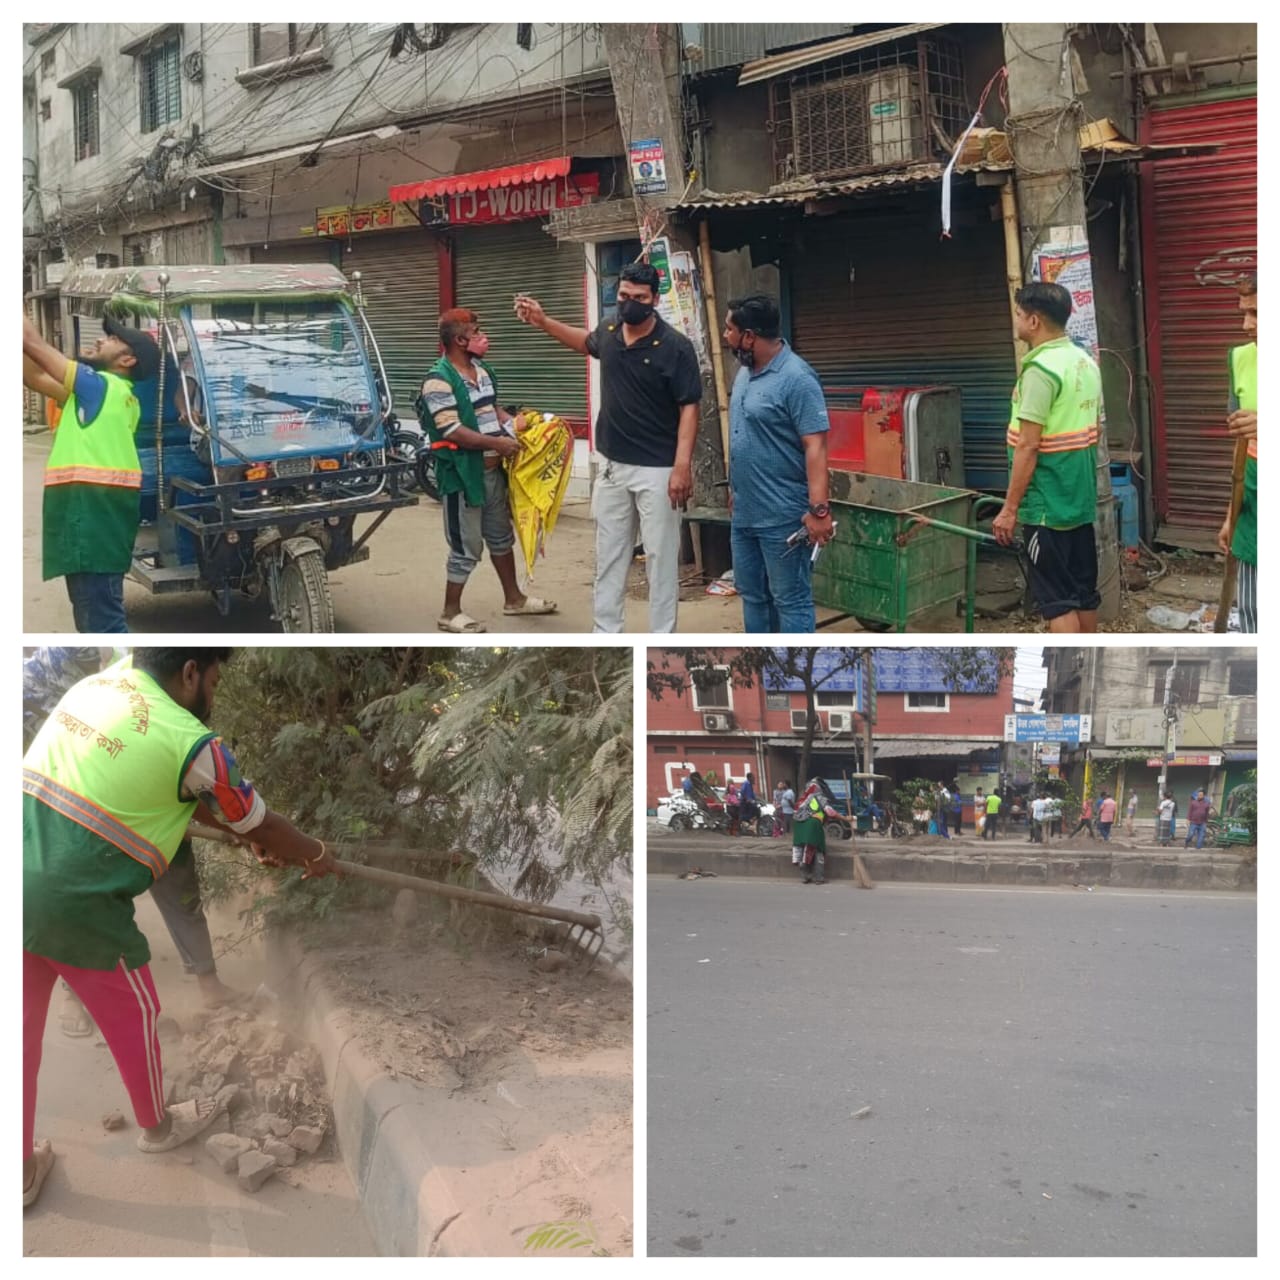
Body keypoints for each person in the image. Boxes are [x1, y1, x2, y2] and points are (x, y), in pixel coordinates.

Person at [23, 648, 340, 1208]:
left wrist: (251, 839)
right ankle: (157, 1128)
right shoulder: (195, 742)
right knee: (137, 1010)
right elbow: (257, 817)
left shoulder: (98, 688)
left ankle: (19, 1169)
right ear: (190, 672)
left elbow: (175, 797)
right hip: (75, 898)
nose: (213, 697)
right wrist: (312, 852)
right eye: (214, 681)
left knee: (18, 1030)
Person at [24, 647, 242, 1023]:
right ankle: (73, 995)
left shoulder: (129, 668)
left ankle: (208, 983)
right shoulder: (36, 686)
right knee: (71, 888)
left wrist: (174, 814)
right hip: (66, 793)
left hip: (135, 767)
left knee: (178, 874)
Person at [515, 264, 703, 632]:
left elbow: (690, 408)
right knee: (610, 556)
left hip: (659, 470)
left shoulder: (676, 348)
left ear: (655, 300)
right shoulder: (611, 330)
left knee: (660, 560)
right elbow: (584, 341)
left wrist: (682, 466)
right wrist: (542, 320)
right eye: (624, 296)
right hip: (613, 466)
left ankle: (661, 637)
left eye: (639, 298)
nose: (630, 304)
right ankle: (606, 632)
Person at [22, 314, 162, 633]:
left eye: (113, 339)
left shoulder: (99, 386)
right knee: (93, 618)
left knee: (103, 624)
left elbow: (32, 342)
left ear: (128, 359)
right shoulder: (111, 395)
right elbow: (32, 375)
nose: (101, 339)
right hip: (95, 521)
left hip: (91, 520)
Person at [419, 309, 556, 633]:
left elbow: (491, 409)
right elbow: (451, 429)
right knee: (466, 547)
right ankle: (450, 612)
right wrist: (499, 442)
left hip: (493, 473)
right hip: (463, 476)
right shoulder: (438, 379)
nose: (483, 337)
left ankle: (514, 600)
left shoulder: (482, 370)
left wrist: (516, 424)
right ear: (459, 339)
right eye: (476, 332)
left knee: (500, 538)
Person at [993, 282, 1103, 633]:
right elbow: (1094, 431)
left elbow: (1027, 445)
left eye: (1018, 315)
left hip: (1046, 507)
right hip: (1079, 502)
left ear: (1034, 321)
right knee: (1083, 594)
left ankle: (1070, 677)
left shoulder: (1041, 371)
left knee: (1058, 602)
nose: (1015, 321)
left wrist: (1009, 509)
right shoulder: (1085, 362)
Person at [722, 294, 834, 632]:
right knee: (753, 596)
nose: (726, 336)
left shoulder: (797, 378)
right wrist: (735, 488)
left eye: (730, 329)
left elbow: (816, 446)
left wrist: (819, 512)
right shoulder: (744, 373)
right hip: (745, 514)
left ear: (750, 336)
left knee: (790, 600)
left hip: (783, 518)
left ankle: (797, 678)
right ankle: (760, 674)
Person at [1216, 274, 1257, 633]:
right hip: (1255, 504)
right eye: (1244, 313)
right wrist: (1232, 515)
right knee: (1251, 613)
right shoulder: (1240, 359)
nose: (1247, 325)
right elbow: (1240, 444)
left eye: (1258, 314)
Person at [792, 781, 835, 884]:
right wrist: (846, 819)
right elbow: (830, 812)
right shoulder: (819, 798)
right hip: (813, 826)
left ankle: (805, 877)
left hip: (798, 828)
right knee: (818, 851)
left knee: (801, 851)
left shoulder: (802, 800)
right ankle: (819, 878)